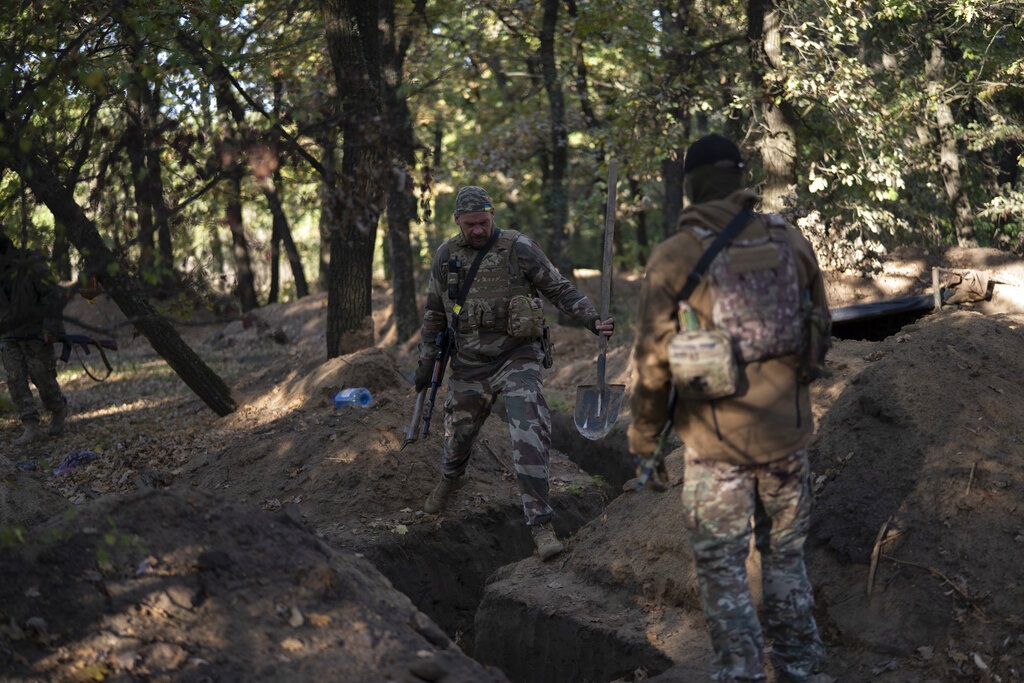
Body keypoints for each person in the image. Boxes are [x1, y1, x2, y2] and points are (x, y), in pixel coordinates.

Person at [627, 134, 832, 682]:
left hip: (716, 446)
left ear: (690, 188)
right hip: (787, 436)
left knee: (722, 567)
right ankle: (802, 669)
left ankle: (740, 673)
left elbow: (652, 361)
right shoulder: (790, 240)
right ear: (741, 178)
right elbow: (821, 328)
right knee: (786, 558)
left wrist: (646, 439)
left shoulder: (676, 255)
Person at [415, 185, 614, 561]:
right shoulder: (445, 257)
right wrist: (425, 363)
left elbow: (558, 289)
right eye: (470, 224)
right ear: (457, 221)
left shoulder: (518, 248)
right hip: (469, 364)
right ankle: (449, 478)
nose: (478, 230)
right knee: (457, 439)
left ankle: (540, 525)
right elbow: (434, 314)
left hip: (517, 357)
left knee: (529, 432)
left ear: (493, 216)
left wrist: (592, 319)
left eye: (484, 222)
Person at [0, 228, 70, 445]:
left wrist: (51, 327)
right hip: (8, 335)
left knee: (42, 376)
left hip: (36, 333)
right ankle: (30, 425)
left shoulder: (30, 263)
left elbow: (51, 294)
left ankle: (58, 408)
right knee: (15, 380)